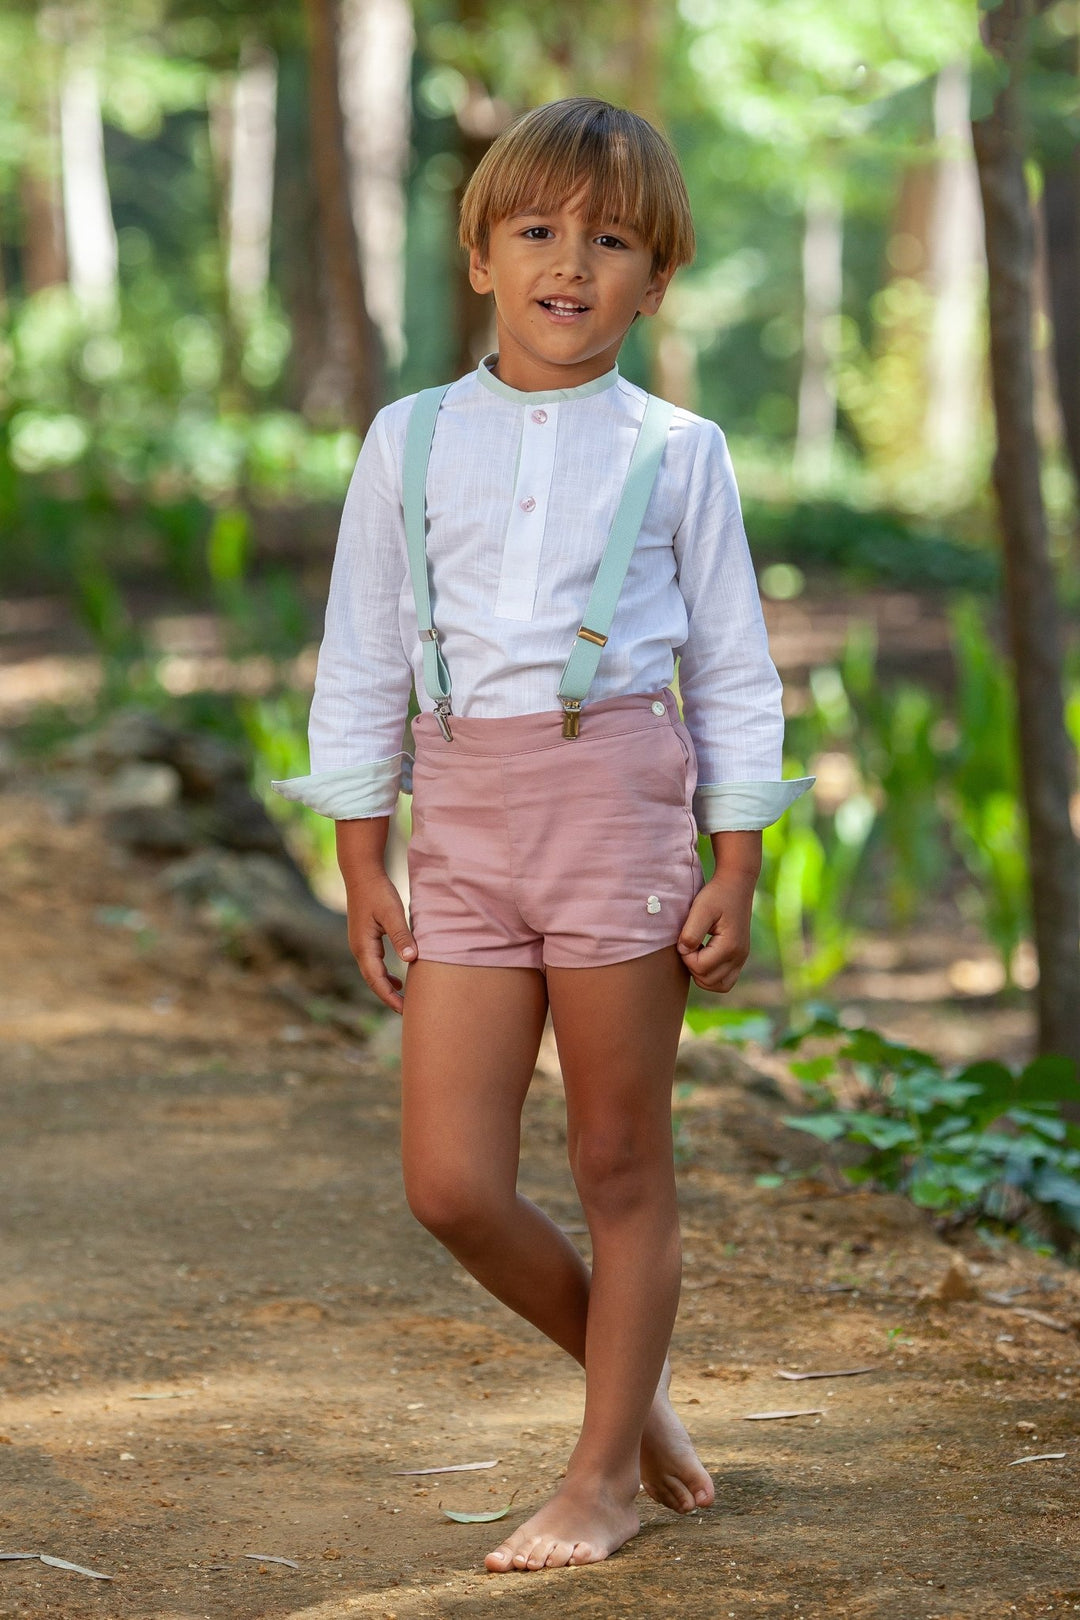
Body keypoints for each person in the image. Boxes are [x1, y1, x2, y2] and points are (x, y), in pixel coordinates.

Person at [273, 96, 814, 1573]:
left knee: (618, 1157)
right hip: (459, 819)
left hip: (615, 808)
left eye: (612, 240)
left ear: (659, 278)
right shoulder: (409, 438)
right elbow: (363, 655)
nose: (571, 263)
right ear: (481, 257)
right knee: (450, 1183)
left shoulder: (678, 450)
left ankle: (600, 1476)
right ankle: (633, 1402)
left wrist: (739, 859)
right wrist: (361, 856)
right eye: (537, 231)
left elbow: (734, 669)